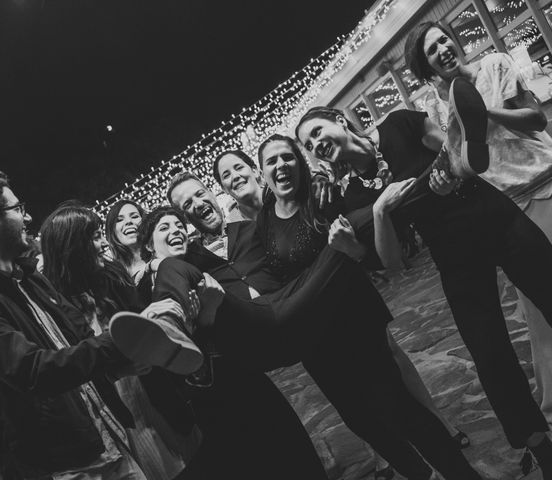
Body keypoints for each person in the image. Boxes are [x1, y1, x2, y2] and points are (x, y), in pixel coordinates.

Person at [164, 171, 483, 480]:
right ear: (183, 218)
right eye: (186, 204)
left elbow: (301, 230)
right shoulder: (192, 262)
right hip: (297, 344)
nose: (196, 203)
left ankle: (461, 473)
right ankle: (422, 474)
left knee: (398, 404)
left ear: (211, 194)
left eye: (198, 194)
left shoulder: (255, 228)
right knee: (361, 422)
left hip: (329, 322)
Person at [296, 103, 552, 478]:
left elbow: (456, 146)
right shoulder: (351, 196)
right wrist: (381, 210)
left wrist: (451, 173)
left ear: (339, 121)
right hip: (454, 254)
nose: (316, 144)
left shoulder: (400, 124)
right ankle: (541, 449)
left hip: (493, 217)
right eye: (308, 144)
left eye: (317, 132)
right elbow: (392, 262)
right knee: (488, 353)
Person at [0, 171, 187, 479]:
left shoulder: (29, 278)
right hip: (59, 467)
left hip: (107, 439)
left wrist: (134, 351)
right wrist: (125, 338)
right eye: (17, 208)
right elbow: (35, 370)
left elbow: (81, 340)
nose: (27, 217)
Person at [406, 21, 552, 436]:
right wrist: (444, 180)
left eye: (444, 40)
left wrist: (479, 109)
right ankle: (550, 410)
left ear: (455, 41)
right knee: (540, 316)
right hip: (506, 210)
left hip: (544, 181)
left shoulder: (495, 65)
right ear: (426, 66)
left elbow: (536, 118)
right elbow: (462, 166)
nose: (443, 50)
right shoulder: (435, 112)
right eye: (432, 50)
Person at [133, 204, 330, 480]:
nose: (175, 230)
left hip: (241, 375)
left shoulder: (198, 270)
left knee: (293, 455)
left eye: (179, 226)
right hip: (206, 400)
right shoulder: (142, 290)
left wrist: (210, 313)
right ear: (149, 247)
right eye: (164, 228)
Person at [40, 204, 202, 480]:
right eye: (93, 237)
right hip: (121, 415)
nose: (103, 242)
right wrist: (117, 371)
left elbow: (146, 327)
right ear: (72, 247)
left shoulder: (113, 276)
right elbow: (73, 371)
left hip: (159, 394)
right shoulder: (55, 306)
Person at [105, 199, 147, 280]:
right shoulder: (112, 276)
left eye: (134, 216)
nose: (128, 221)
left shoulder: (163, 256)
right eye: (119, 220)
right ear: (112, 231)